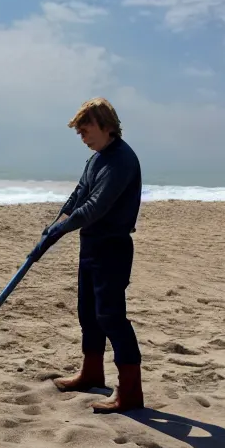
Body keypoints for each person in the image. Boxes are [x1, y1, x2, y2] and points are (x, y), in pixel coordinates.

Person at [36, 97, 145, 412]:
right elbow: (78, 196)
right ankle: (92, 372)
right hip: (91, 245)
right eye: (80, 133)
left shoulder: (121, 159)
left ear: (106, 126)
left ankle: (131, 392)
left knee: (111, 317)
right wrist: (54, 225)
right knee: (88, 313)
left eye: (86, 130)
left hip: (113, 246)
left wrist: (62, 229)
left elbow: (96, 206)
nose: (83, 137)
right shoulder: (96, 159)